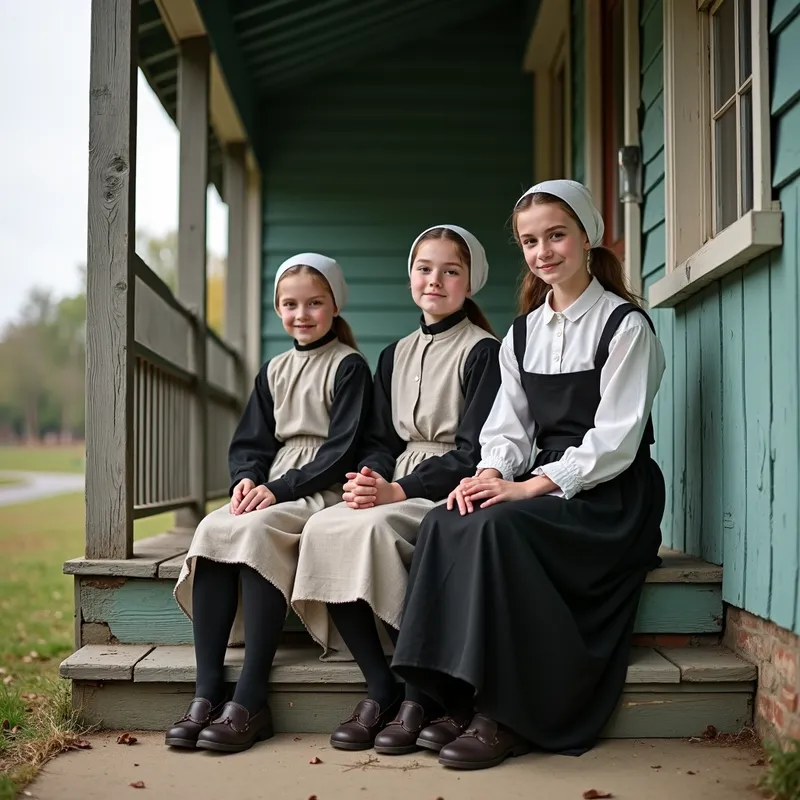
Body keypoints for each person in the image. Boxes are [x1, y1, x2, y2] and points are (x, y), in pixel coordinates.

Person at [390, 180, 667, 770]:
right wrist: (488, 475)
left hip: (612, 494)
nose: (543, 252)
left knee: (500, 529)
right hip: (543, 480)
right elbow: (509, 429)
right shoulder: (522, 333)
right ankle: (439, 696)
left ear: (587, 238)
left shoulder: (626, 326)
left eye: (556, 235)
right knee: (445, 520)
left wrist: (526, 488)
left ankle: (506, 715)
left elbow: (615, 441)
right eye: (530, 241)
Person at [290, 225, 502, 752]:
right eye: (424, 269)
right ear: (410, 276)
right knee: (324, 527)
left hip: (452, 485)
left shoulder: (484, 352)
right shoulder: (394, 354)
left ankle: (420, 692)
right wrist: (371, 479)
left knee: (376, 530)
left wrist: (398, 491)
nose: (435, 280)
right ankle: (380, 685)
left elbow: (474, 451)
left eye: (450, 271)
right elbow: (380, 441)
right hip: (398, 482)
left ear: (470, 282)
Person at [167, 254, 372, 754]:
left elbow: (341, 449)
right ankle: (207, 691)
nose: (302, 314)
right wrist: (245, 479)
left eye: (314, 303)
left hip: (317, 487)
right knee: (213, 529)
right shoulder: (274, 369)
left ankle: (251, 695)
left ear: (335, 306)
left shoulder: (349, 365)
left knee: (258, 532)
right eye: (290, 304)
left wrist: (280, 489)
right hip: (273, 483)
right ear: (278, 309)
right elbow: (251, 443)